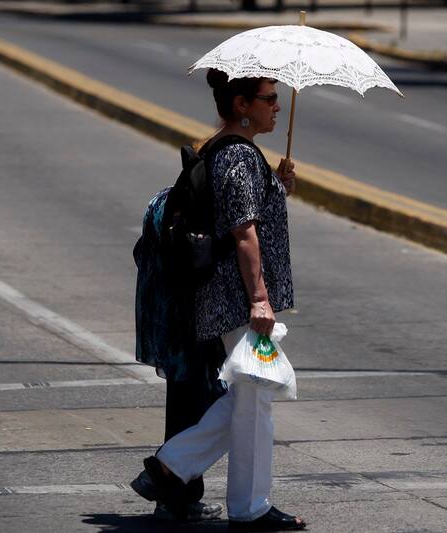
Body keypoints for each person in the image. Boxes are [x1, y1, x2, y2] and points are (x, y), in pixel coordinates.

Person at [131, 69, 306, 530]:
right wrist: (260, 299)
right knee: (255, 395)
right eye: (269, 98)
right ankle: (244, 506)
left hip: (226, 296)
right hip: (236, 297)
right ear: (242, 105)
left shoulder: (225, 150)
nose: (276, 106)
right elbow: (243, 233)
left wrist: (276, 184)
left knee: (252, 395)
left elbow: (238, 211)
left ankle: (171, 469)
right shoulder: (238, 156)